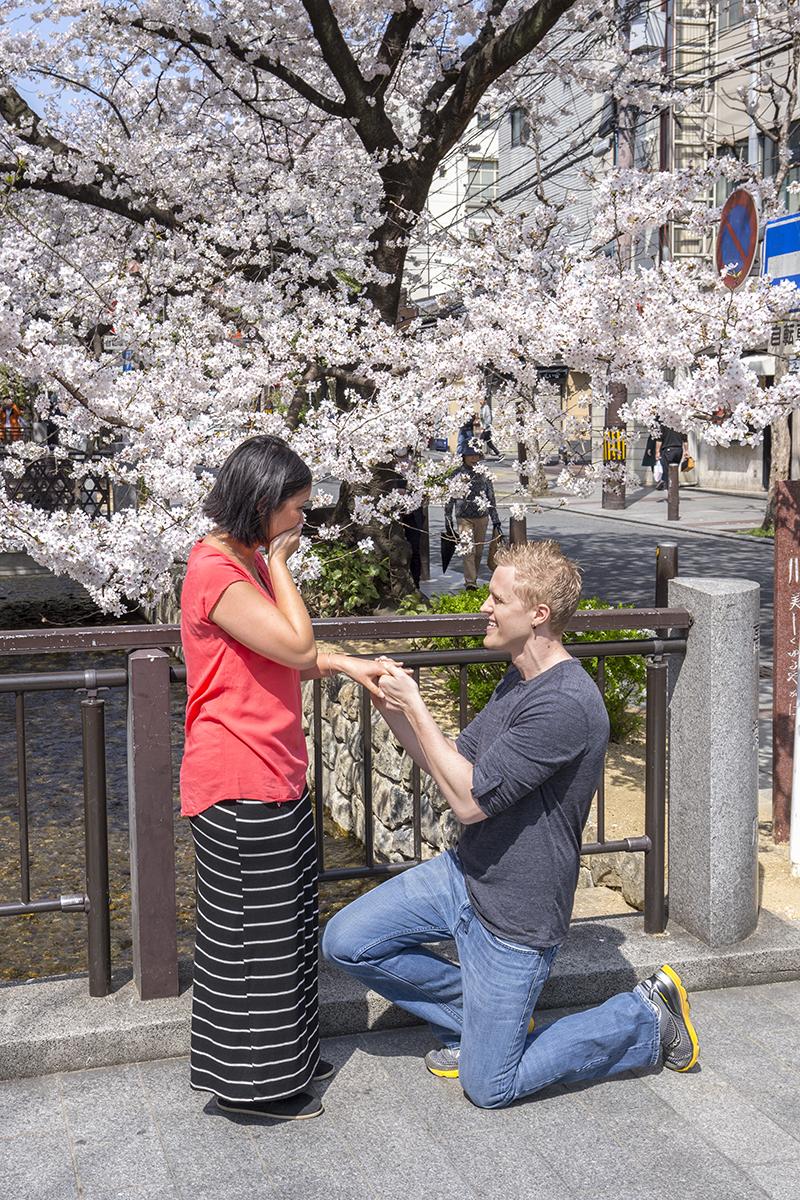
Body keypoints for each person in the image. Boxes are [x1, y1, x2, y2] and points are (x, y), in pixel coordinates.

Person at [323, 540, 699, 1109]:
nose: (484, 607)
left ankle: (646, 1018)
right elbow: (451, 764)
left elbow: (470, 802)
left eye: (497, 600)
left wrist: (417, 705)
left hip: (518, 912)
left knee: (489, 1087)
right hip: (465, 875)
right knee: (347, 941)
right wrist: (390, 708)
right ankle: (472, 1020)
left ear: (538, 614)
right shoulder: (519, 679)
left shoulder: (566, 703)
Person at [180, 434, 386, 1122]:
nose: (304, 519)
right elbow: (296, 644)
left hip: (275, 770)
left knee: (289, 927)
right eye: (296, 507)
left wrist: (348, 663)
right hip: (237, 776)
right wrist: (279, 562)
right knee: (253, 940)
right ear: (264, 503)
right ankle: (254, 1091)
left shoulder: (242, 560)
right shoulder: (217, 570)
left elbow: (286, 652)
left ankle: (288, 1060)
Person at [445, 451, 502, 590]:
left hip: (482, 517)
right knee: (468, 549)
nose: (474, 458)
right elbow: (449, 498)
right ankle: (470, 582)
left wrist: (495, 519)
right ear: (464, 456)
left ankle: (474, 578)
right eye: (470, 455)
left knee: (478, 551)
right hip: (463, 517)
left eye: (476, 455)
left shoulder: (484, 473)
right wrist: (448, 519)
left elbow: (490, 496)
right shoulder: (456, 473)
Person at [654, 425, 688, 490]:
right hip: (678, 450)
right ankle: (674, 486)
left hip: (668, 449)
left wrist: (657, 452)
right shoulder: (681, 425)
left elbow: (659, 440)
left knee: (667, 470)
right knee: (675, 469)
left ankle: (669, 487)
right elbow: (685, 440)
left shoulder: (664, 425)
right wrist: (686, 451)